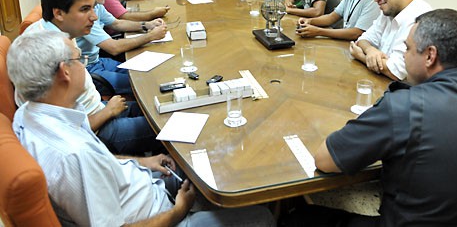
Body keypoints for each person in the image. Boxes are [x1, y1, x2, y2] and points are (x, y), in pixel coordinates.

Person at [7, 30, 276, 227]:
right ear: (65, 72)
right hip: (159, 214)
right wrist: (178, 212)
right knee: (261, 217)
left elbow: (100, 164)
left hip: (140, 182)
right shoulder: (73, 155)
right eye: (80, 60)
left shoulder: (27, 115)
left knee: (202, 160)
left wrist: (143, 161)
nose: (85, 68)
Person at [287, 9, 457, 226]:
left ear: (429, 55)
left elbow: (325, 161)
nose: (403, 55)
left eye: (407, 48)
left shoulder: (404, 106)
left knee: (299, 217)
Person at [21, 0, 164, 155]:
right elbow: (64, 131)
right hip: (97, 130)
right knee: (168, 125)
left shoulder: (60, 34)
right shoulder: (47, 55)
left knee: (158, 106)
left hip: (98, 109)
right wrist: (107, 112)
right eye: (85, 9)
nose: (94, 17)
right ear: (58, 13)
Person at [75, 0, 167, 95]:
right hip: (87, 70)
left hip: (98, 60)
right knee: (144, 82)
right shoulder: (83, 14)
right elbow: (114, 48)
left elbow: (117, 23)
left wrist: (147, 25)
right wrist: (151, 36)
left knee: (150, 74)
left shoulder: (97, 5)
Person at [349, 0, 432, 80]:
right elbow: (363, 40)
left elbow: (396, 71)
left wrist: (361, 56)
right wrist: (370, 50)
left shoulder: (419, 17)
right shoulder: (390, 10)